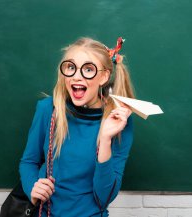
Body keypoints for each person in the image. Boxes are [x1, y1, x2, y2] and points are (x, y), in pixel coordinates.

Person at [19, 37, 135, 217]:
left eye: (88, 69)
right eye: (71, 67)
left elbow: (104, 198)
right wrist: (32, 188)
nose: (76, 76)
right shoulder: (48, 110)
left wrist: (105, 139)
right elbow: (29, 161)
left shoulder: (119, 122)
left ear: (104, 76)